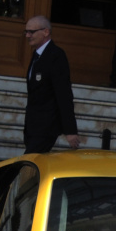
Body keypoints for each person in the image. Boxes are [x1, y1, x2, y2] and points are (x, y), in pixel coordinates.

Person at [22, 16, 80, 153]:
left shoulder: (56, 56)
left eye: (31, 32)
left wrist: (70, 130)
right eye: (26, 32)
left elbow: (63, 94)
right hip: (32, 126)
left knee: (28, 164)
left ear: (46, 32)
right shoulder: (36, 55)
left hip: (46, 127)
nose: (28, 36)